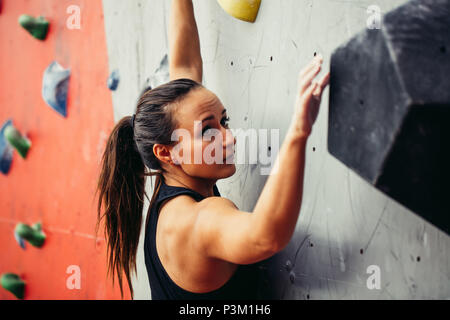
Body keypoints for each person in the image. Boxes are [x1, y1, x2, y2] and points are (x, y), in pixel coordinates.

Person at [96, 0, 329, 300]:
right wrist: (299, 130)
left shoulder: (173, 172)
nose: (229, 139)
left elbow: (186, 68)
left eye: (224, 121)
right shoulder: (196, 220)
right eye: (207, 131)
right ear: (166, 153)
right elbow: (265, 236)